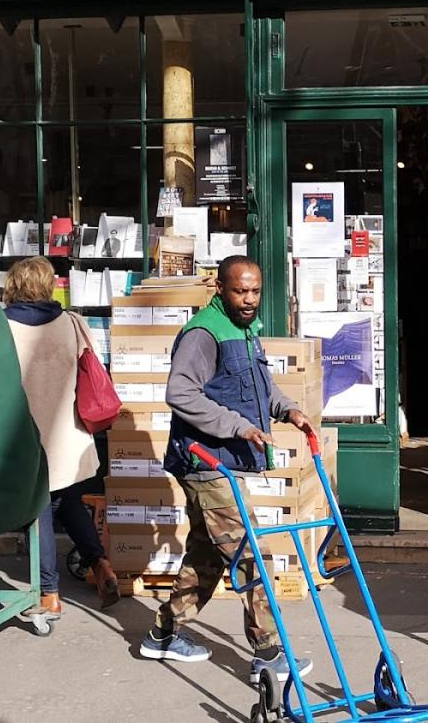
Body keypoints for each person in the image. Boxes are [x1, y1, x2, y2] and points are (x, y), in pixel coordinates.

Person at [139, 256, 317, 681]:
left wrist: (288, 410)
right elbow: (180, 393)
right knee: (250, 553)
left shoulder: (245, 331)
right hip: (206, 461)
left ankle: (162, 635)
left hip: (226, 461)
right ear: (220, 288)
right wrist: (238, 427)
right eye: (240, 291)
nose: (249, 299)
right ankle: (268, 655)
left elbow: (259, 388)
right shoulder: (204, 333)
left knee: (207, 556)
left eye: (255, 291)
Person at [2, 256, 119, 614]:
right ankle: (100, 564)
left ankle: (48, 593)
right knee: (67, 501)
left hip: (23, 436)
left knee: (39, 508)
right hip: (68, 435)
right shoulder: (73, 323)